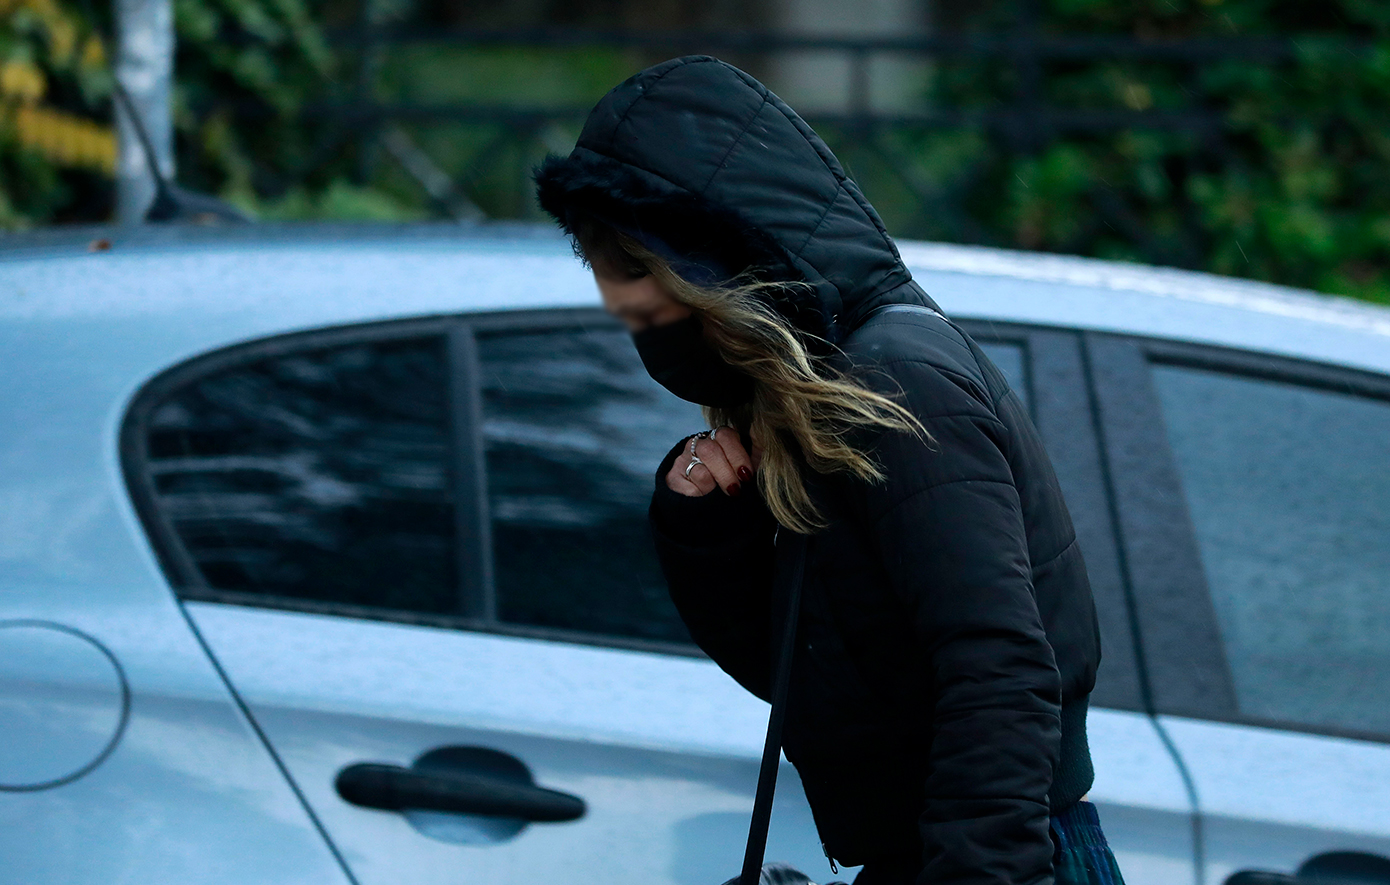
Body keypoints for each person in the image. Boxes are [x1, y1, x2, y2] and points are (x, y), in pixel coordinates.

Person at [535, 56, 1124, 885]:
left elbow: (998, 667)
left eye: (651, 311)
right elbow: (819, 683)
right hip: (937, 850)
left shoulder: (894, 378)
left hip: (998, 856)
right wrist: (710, 535)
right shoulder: (810, 398)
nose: (651, 342)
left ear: (707, 275)